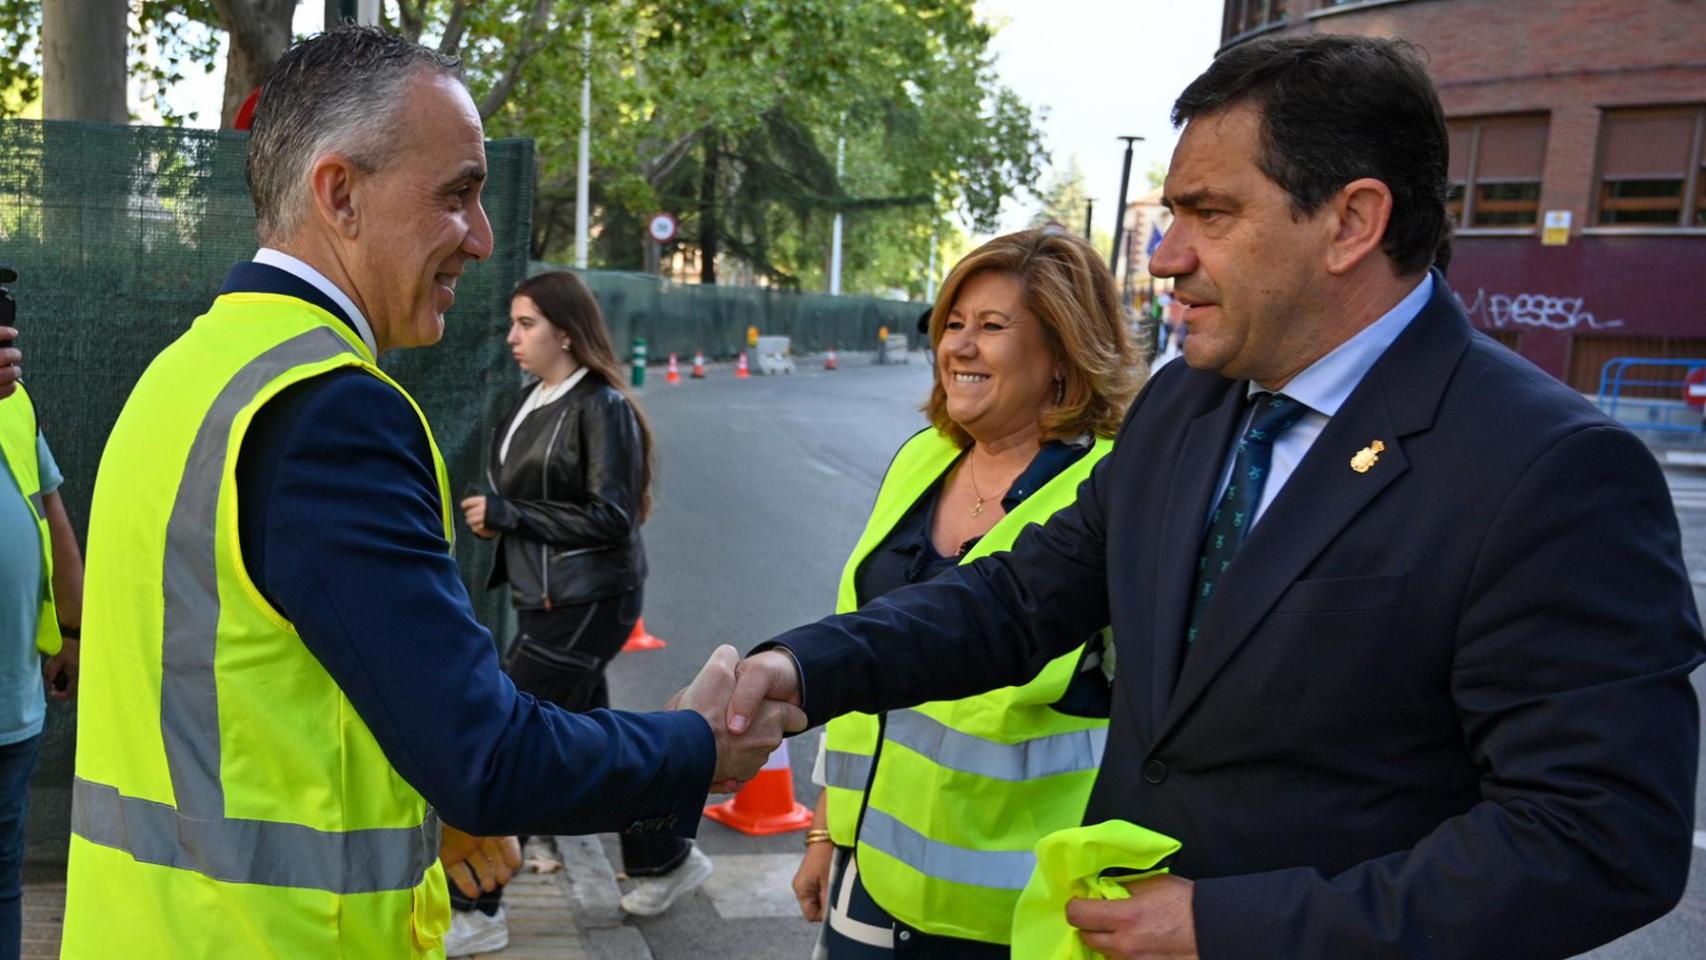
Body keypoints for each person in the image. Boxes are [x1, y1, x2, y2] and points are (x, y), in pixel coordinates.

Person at [731, 34, 1704, 960]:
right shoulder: (1185, 405)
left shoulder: (1549, 469)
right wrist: (802, 670)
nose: (1164, 256)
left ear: (1350, 223)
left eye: (1209, 215)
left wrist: (1228, 928)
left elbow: (1598, 836)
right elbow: (1014, 599)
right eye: (1170, 215)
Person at [61, 27, 800, 959]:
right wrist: (696, 747)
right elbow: (485, 756)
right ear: (340, 194)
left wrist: (428, 798)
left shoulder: (188, 374)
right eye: (456, 195)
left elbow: (261, 690)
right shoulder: (333, 410)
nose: (481, 239)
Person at [791, 228, 1141, 957]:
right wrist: (827, 829)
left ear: (1062, 353)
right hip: (873, 875)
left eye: (992, 326)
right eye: (952, 324)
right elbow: (864, 643)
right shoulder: (923, 457)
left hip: (1021, 908)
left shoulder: (1112, 492)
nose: (960, 346)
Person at [448, 270, 707, 951]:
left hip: (590, 599)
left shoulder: (600, 405)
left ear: (565, 332)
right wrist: (505, 517)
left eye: (526, 323)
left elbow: (612, 516)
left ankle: (476, 908)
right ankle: (664, 858)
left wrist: (510, 514)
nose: (513, 337)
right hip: (545, 596)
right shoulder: (532, 399)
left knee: (504, 738)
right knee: (594, 733)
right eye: (513, 322)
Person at [0, 354, 83, 960]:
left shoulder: (16, 403)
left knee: (5, 874)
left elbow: (51, 516)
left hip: (13, 706)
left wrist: (73, 633)